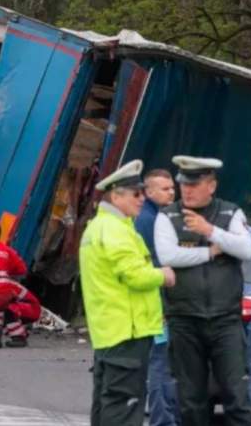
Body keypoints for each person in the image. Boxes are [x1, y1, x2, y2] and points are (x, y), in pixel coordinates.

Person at [154, 156, 251, 426]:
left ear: (211, 185)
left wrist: (209, 230)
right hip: (184, 319)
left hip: (225, 320)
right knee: (191, 399)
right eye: (184, 184)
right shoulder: (168, 216)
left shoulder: (230, 213)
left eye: (195, 184)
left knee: (237, 394)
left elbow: (245, 249)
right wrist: (211, 252)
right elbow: (168, 256)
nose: (187, 190)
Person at [80, 160, 175, 426]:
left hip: (110, 330)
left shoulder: (100, 227)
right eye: (136, 193)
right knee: (124, 405)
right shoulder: (115, 230)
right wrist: (163, 275)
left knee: (107, 403)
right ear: (116, 195)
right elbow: (134, 274)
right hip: (127, 331)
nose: (142, 199)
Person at [134, 169, 180, 426]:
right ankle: (163, 421)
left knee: (158, 365)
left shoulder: (154, 217)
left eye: (172, 187)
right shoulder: (149, 221)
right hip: (155, 304)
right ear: (148, 191)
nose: (171, 192)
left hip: (153, 303)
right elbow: (157, 265)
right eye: (165, 188)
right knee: (160, 366)